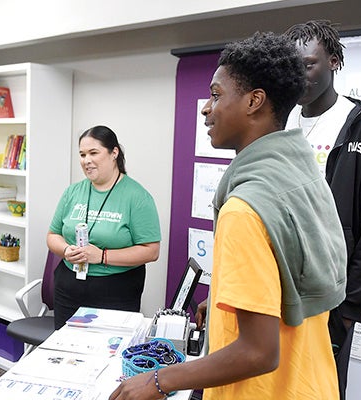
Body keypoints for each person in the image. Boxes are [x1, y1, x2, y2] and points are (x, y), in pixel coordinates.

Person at [111, 32, 347, 400]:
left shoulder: (245, 209)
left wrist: (160, 380)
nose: (206, 108)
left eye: (217, 95)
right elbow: (288, 279)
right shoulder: (300, 177)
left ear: (255, 101)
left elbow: (258, 351)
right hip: (311, 381)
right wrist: (224, 296)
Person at [284, 20, 361, 400]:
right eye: (292, 64)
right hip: (278, 287)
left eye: (309, 64)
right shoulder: (279, 122)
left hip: (331, 301)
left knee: (320, 389)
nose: (299, 75)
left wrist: (350, 309)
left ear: (333, 62)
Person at [46, 125, 160, 329]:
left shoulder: (137, 197)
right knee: (66, 352)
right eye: (82, 154)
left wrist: (101, 256)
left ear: (114, 152)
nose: (86, 160)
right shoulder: (72, 192)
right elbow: (53, 235)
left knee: (108, 354)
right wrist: (65, 249)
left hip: (116, 290)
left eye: (93, 153)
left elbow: (151, 251)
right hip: (69, 285)